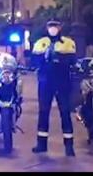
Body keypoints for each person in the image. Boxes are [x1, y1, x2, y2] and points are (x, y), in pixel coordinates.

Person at [31, 18, 76, 156]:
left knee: (65, 113)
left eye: (55, 26)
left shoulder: (68, 43)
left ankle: (69, 147)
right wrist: (44, 60)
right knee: (43, 112)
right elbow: (34, 61)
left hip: (62, 82)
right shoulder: (40, 43)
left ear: (60, 27)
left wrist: (59, 59)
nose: (53, 28)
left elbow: (72, 60)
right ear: (47, 27)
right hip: (45, 82)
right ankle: (41, 144)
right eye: (50, 26)